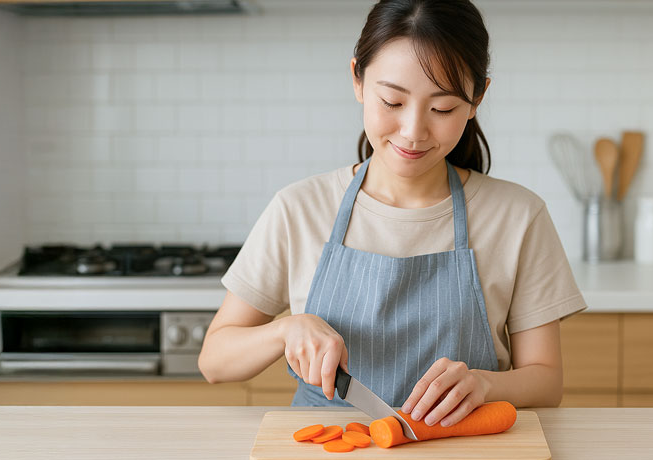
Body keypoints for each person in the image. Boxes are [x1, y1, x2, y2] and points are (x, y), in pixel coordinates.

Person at [199, 0, 586, 428]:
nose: (413, 131)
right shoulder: (299, 208)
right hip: (329, 451)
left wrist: (487, 386)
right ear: (358, 81)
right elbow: (214, 361)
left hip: (465, 451)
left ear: (477, 99)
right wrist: (285, 330)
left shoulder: (518, 216)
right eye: (392, 101)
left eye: (442, 109)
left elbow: (547, 383)